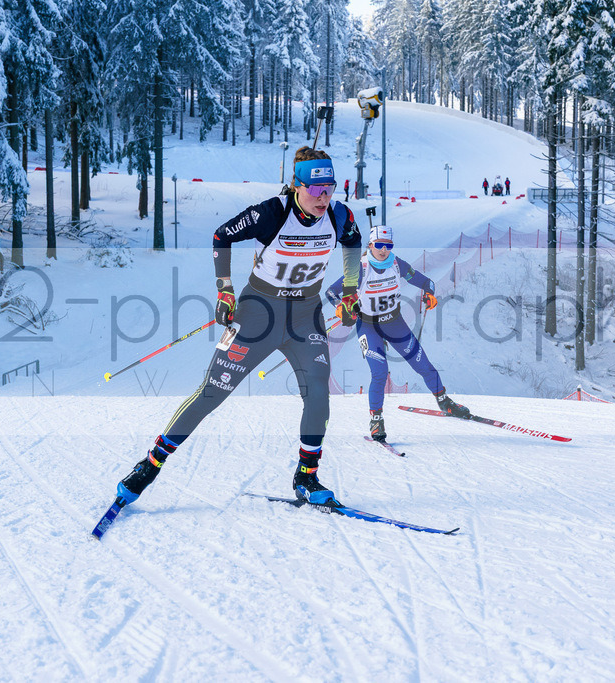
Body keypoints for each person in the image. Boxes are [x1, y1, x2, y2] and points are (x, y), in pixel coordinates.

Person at [111, 146, 363, 510]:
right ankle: (149, 466)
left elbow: (353, 243)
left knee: (318, 391)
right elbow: (222, 235)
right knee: (212, 392)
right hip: (259, 312)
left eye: (329, 188)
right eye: (315, 189)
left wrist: (351, 289)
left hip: (305, 315)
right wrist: (225, 289)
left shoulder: (339, 215)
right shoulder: (271, 213)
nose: (323, 197)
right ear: (297, 185)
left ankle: (307, 476)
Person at [326, 225, 471, 442]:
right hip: (368, 327)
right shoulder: (361, 269)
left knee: (424, 366)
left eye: (388, 245)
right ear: (370, 245)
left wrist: (430, 293)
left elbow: (426, 282)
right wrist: (341, 307)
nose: (383, 250)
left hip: (394, 323)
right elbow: (331, 292)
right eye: (379, 245)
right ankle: (376, 420)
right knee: (379, 372)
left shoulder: (396, 264)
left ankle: (444, 402)